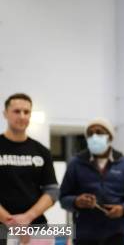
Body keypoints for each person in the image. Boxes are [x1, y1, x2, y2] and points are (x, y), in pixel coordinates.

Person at [59, 117, 124, 245]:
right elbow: (63, 198)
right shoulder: (76, 164)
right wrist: (76, 201)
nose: (94, 137)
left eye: (99, 133)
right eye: (90, 134)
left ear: (110, 137)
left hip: (116, 235)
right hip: (84, 235)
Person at [0, 93, 58, 245]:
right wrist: (10, 222)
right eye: (16, 111)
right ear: (5, 113)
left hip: (35, 228)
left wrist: (27, 217)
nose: (22, 116)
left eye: (26, 112)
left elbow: (52, 191)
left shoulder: (42, 151)